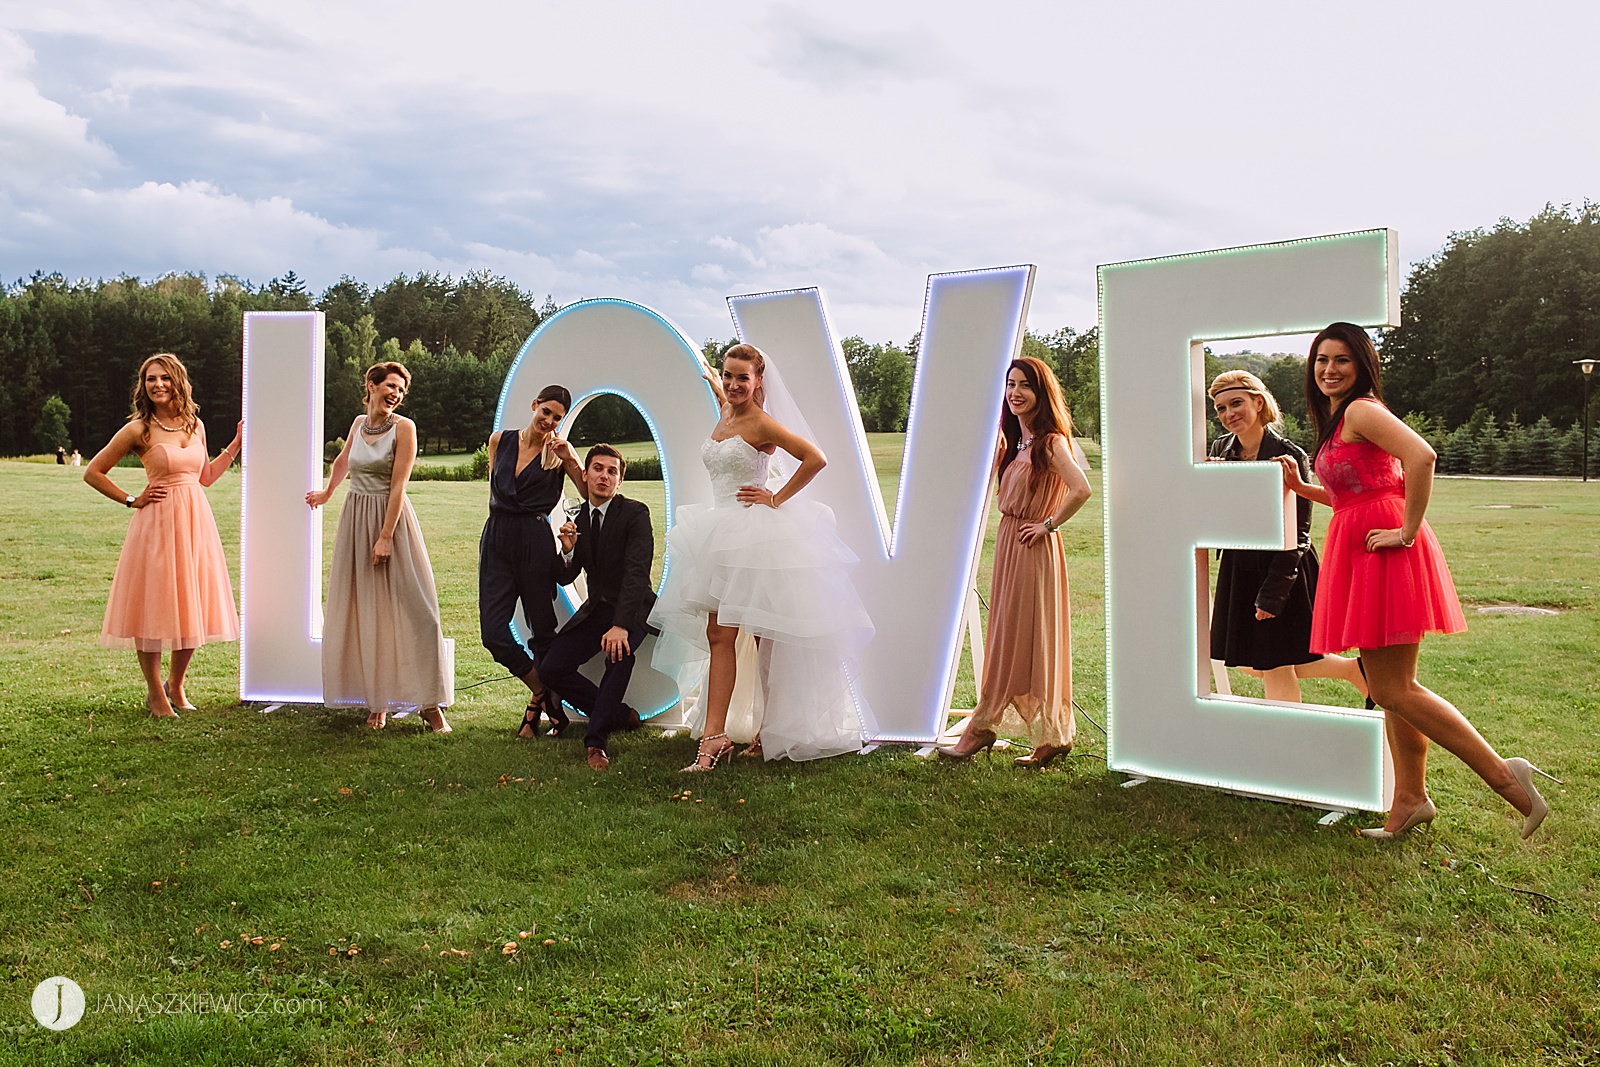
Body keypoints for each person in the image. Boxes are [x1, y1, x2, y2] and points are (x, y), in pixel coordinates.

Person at [1280, 323, 1556, 839]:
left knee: (1393, 687)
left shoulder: (1362, 409)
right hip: (1362, 543)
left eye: (1341, 359)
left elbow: (1422, 456)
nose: (1328, 369)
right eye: (1321, 359)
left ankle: (1505, 776)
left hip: (1384, 549)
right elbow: (1354, 495)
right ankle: (1409, 799)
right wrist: (1302, 487)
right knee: (1389, 689)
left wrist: (1405, 531)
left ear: (1361, 365)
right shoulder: (1341, 418)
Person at [649, 343, 874, 770]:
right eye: (728, 375)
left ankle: (755, 731)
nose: (733, 384)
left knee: (758, 637)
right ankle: (723, 735)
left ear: (758, 382)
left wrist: (775, 498)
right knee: (724, 634)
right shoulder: (728, 410)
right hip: (718, 533)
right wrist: (718, 388)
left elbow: (815, 458)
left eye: (742, 378)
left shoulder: (761, 422)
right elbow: (726, 401)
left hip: (751, 536)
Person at [938, 357, 1091, 765]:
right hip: (1008, 543)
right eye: (1010, 384)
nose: (1015, 393)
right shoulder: (1015, 443)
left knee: (1029, 636)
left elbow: (1081, 489)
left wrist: (1048, 525)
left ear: (1042, 393)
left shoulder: (1051, 442)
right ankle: (1027, 732)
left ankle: (989, 728)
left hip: (1032, 547)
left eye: (1025, 385)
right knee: (1007, 634)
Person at [84, 353, 242, 717]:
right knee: (153, 605)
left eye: (164, 378)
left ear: (178, 382)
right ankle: (155, 691)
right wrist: (131, 499)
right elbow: (94, 472)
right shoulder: (138, 429)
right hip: (156, 522)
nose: (158, 385)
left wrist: (234, 445)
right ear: (144, 386)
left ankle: (176, 684)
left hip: (194, 520)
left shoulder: (195, 425)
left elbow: (204, 477)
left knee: (193, 601)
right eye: (150, 379)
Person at [1206, 370, 1368, 704]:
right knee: (1253, 662)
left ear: (1258, 402)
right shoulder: (1221, 448)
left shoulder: (1287, 454)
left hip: (1282, 568)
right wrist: (1212, 479)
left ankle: (1282, 748)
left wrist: (1273, 594)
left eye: (1236, 403)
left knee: (1274, 664)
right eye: (1220, 409)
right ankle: (1353, 670)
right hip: (1240, 566)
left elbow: (1299, 531)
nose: (1228, 414)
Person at [307, 361, 451, 732]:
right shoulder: (358, 423)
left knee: (420, 610)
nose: (396, 395)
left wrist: (385, 536)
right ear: (371, 385)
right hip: (356, 520)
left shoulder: (405, 428)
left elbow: (399, 485)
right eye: (390, 386)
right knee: (367, 611)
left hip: (392, 520)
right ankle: (378, 701)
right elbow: (342, 462)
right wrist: (326, 492)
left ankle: (430, 704)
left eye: (401, 391)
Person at [478, 385, 585, 738]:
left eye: (557, 418)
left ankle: (540, 707)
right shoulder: (499, 440)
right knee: (494, 633)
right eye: (546, 412)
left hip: (535, 542)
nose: (549, 421)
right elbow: (495, 488)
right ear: (534, 405)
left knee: (542, 630)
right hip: (497, 539)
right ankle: (542, 691)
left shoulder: (557, 454)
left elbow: (587, 492)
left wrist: (570, 458)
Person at [544, 444, 656, 771]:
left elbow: (637, 574)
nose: (604, 476)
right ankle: (618, 715)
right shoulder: (578, 516)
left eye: (611, 471)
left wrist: (621, 626)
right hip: (597, 611)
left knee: (619, 655)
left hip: (632, 610)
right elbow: (567, 576)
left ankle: (596, 742)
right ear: (586, 474)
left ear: (619, 481)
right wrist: (566, 550)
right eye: (598, 469)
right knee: (552, 667)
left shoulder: (636, 513)